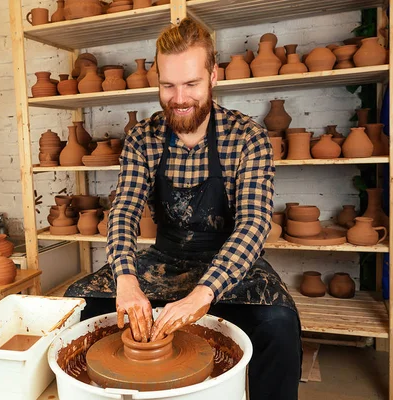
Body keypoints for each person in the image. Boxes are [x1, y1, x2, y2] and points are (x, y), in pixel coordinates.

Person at [65, 17, 301, 400]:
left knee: (278, 323)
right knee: (79, 306)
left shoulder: (248, 137)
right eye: (168, 85)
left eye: (191, 84)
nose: (179, 98)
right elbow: (123, 211)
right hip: (165, 256)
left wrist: (203, 293)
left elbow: (254, 225)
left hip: (233, 264)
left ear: (214, 75)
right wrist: (125, 280)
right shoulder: (143, 138)